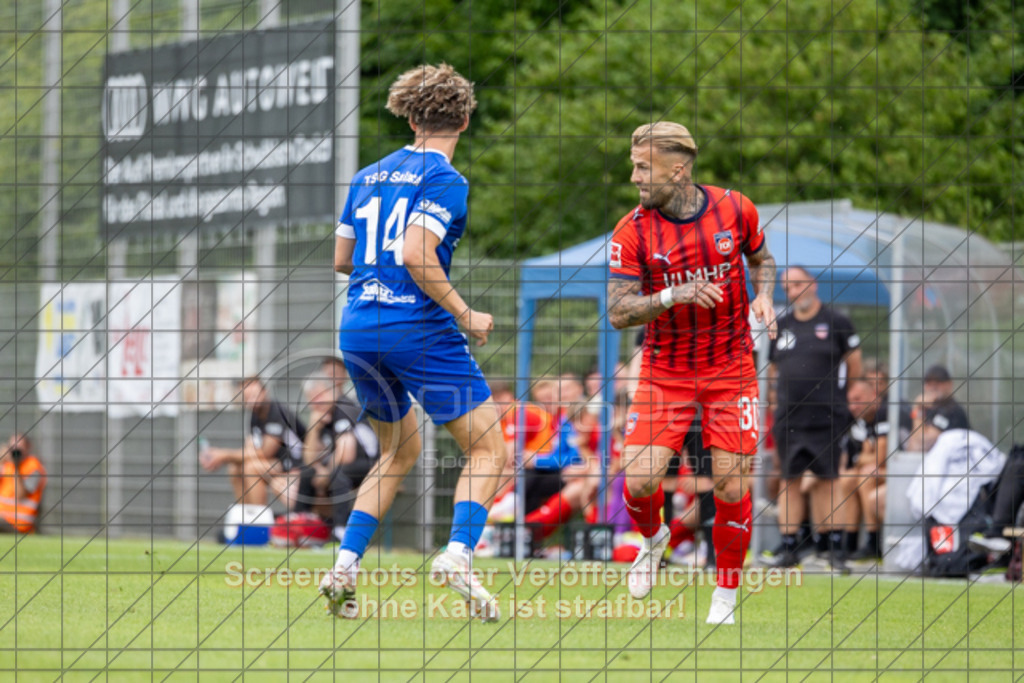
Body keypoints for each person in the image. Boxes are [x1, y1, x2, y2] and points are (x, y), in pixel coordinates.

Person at [318, 64, 508, 622]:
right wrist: (465, 311)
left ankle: (344, 569)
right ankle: (458, 556)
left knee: (399, 450)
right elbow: (416, 254)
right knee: (489, 448)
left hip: (358, 328)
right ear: (465, 120)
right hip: (415, 329)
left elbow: (341, 261)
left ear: (410, 115)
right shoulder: (447, 180)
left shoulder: (369, 174)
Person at [607, 121, 778, 625]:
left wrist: (764, 293)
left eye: (644, 167)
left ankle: (724, 598)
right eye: (634, 165)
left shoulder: (735, 208)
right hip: (666, 370)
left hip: (730, 368)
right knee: (639, 482)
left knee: (729, 486)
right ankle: (654, 538)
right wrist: (669, 296)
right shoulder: (632, 230)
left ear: (678, 170)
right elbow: (618, 312)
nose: (635, 176)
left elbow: (761, 259)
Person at [769, 266, 862, 573]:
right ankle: (789, 547)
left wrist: (844, 403)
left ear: (812, 284)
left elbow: (855, 369)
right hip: (789, 419)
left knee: (827, 481)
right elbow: (772, 372)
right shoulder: (781, 326)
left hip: (827, 417)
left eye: (797, 284)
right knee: (789, 481)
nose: (793, 291)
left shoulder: (837, 323)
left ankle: (834, 548)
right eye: (787, 286)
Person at [293, 367, 379, 544]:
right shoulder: (324, 415)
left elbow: (346, 454)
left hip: (372, 463)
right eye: (312, 400)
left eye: (319, 397)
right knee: (307, 472)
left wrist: (324, 474)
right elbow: (309, 459)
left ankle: (340, 529)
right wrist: (313, 428)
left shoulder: (343, 408)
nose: (315, 404)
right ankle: (298, 523)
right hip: (348, 463)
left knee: (337, 473)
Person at [200, 376, 307, 507]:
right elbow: (251, 449)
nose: (252, 400)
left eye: (255, 394)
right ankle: (246, 514)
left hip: (298, 464)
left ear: (264, 392)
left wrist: (223, 455)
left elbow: (264, 452)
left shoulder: (277, 412)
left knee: (252, 468)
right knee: (235, 468)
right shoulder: (254, 416)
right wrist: (218, 458)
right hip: (277, 463)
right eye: (248, 397)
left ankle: (257, 520)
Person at [837, 360, 890, 561]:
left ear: (873, 395)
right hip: (876, 469)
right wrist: (864, 457)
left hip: (903, 471)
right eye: (851, 401)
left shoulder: (885, 411)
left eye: (858, 400)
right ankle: (849, 542)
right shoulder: (860, 420)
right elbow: (856, 458)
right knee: (847, 479)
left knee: (866, 474)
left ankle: (873, 542)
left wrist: (865, 457)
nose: (853, 406)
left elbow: (880, 458)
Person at [905, 364, 971, 452]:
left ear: (949, 384)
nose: (933, 387)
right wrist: (919, 410)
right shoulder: (928, 410)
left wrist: (918, 407)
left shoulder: (953, 410)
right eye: (929, 383)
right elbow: (911, 447)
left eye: (937, 383)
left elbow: (922, 443)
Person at [0, 433, 47, 534]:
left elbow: (20, 495)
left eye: (18, 448)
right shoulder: (7, 464)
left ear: (27, 448)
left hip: (20, 524)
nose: (15, 452)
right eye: (12, 448)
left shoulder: (34, 467)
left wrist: (16, 468)